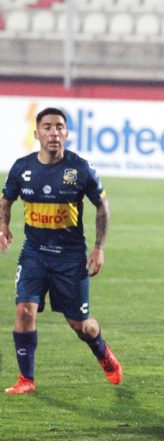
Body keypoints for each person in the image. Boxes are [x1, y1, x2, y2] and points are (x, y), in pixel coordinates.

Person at [0, 107, 122, 394]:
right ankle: (26, 379)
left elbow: (102, 205)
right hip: (34, 253)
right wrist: (3, 225)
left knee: (81, 326)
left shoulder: (80, 169)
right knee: (24, 310)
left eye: (59, 127)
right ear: (37, 133)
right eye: (47, 127)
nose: (53, 132)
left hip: (69, 258)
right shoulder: (22, 168)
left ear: (66, 133)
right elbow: (6, 199)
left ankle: (102, 352)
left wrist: (99, 247)